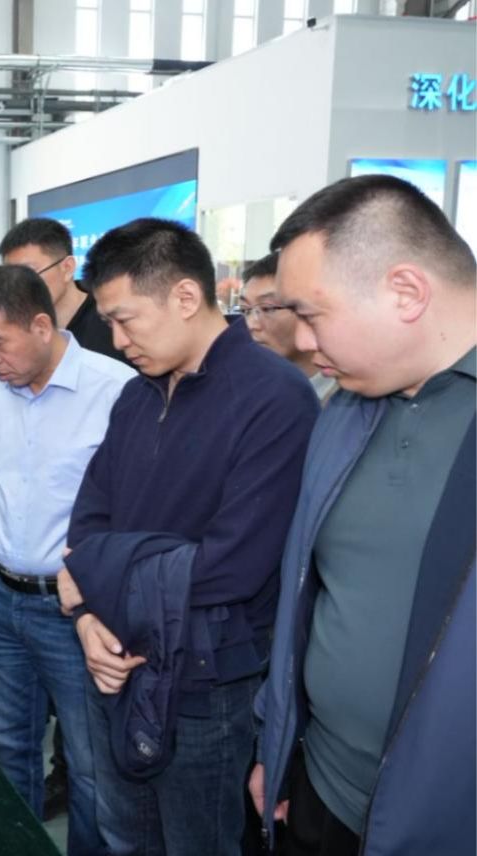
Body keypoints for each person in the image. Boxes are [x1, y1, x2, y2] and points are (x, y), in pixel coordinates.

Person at [57, 218, 318, 856]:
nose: (118, 341)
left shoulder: (275, 398)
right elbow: (86, 526)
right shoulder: (136, 395)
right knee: (123, 836)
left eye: (125, 320)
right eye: (108, 324)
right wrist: (87, 621)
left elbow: (231, 566)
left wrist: (93, 582)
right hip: (113, 659)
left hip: (207, 679)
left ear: (184, 296)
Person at [252, 175, 476, 856]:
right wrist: (279, 745)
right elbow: (311, 594)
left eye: (311, 314)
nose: (300, 339)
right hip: (322, 792)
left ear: (406, 292)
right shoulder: (343, 408)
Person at [0, 264, 134, 853]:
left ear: (40, 325)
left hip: (75, 608)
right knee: (7, 745)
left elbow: (134, 512)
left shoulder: (116, 391)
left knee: (90, 765)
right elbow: (0, 480)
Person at [0, 217, 127, 363]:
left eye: (29, 274)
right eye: (10, 278)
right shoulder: (20, 331)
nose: (19, 287)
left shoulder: (112, 323)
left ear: (67, 268)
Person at [238, 253, 338, 404]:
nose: (250, 324)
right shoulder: (246, 387)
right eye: (245, 310)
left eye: (268, 308)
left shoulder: (350, 396)